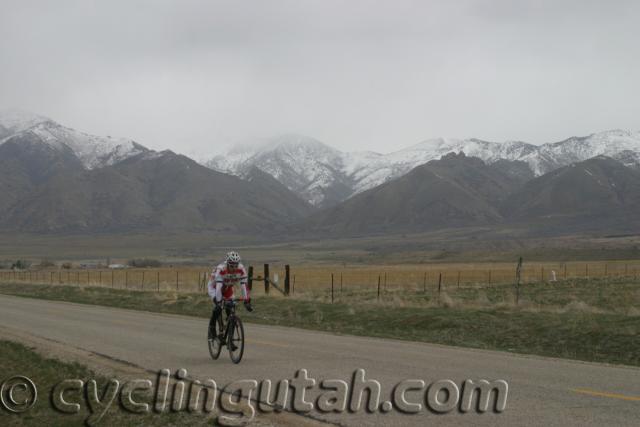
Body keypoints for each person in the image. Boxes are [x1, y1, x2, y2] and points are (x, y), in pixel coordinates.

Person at [207, 251, 253, 341]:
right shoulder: (221, 269)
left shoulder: (241, 269)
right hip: (214, 287)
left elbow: (244, 286)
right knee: (218, 308)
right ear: (227, 264)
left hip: (228, 287)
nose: (234, 268)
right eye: (231, 265)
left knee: (230, 306)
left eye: (236, 265)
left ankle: (229, 336)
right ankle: (212, 329)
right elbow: (219, 288)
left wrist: (247, 301)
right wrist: (219, 302)